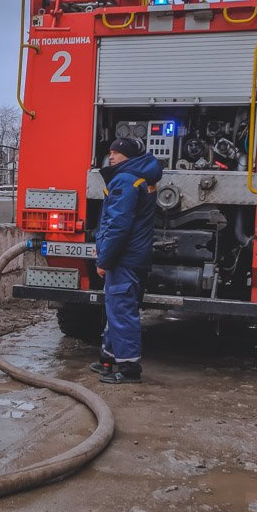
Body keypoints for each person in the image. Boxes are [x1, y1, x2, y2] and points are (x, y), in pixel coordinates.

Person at [90, 136, 163, 383]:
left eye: (116, 153)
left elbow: (117, 226)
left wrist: (104, 259)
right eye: (110, 152)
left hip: (124, 259)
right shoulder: (142, 178)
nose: (111, 156)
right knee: (117, 309)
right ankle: (108, 359)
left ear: (128, 156)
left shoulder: (125, 180)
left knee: (121, 312)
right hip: (134, 258)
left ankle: (129, 370)